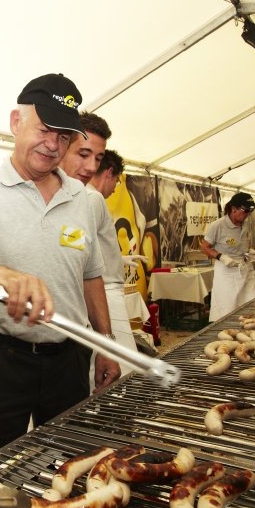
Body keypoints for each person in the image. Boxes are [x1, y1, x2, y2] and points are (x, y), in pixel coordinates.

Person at [0, 73, 121, 465]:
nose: (53, 145)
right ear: (16, 122)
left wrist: (105, 344)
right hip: (2, 359)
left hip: (70, 358)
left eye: (64, 136)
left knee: (69, 463)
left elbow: (91, 276)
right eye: (45, 129)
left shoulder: (83, 199)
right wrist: (3, 275)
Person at [64, 142, 141, 383]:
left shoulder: (85, 198)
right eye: (117, 181)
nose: (115, 188)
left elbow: (86, 244)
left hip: (101, 288)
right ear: (109, 173)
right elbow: (76, 248)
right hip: (103, 293)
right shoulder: (93, 198)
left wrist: (119, 259)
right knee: (121, 368)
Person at [200, 193, 255, 321]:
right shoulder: (218, 225)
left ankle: (247, 328)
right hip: (226, 271)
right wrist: (221, 257)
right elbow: (204, 247)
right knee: (227, 307)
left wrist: (250, 252)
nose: (249, 214)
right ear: (234, 209)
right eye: (246, 211)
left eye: (251, 211)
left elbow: (244, 245)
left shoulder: (245, 224)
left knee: (250, 301)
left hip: (244, 268)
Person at [61, 111, 112, 186]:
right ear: (62, 149)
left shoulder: (83, 196)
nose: (92, 168)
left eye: (98, 159)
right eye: (83, 155)